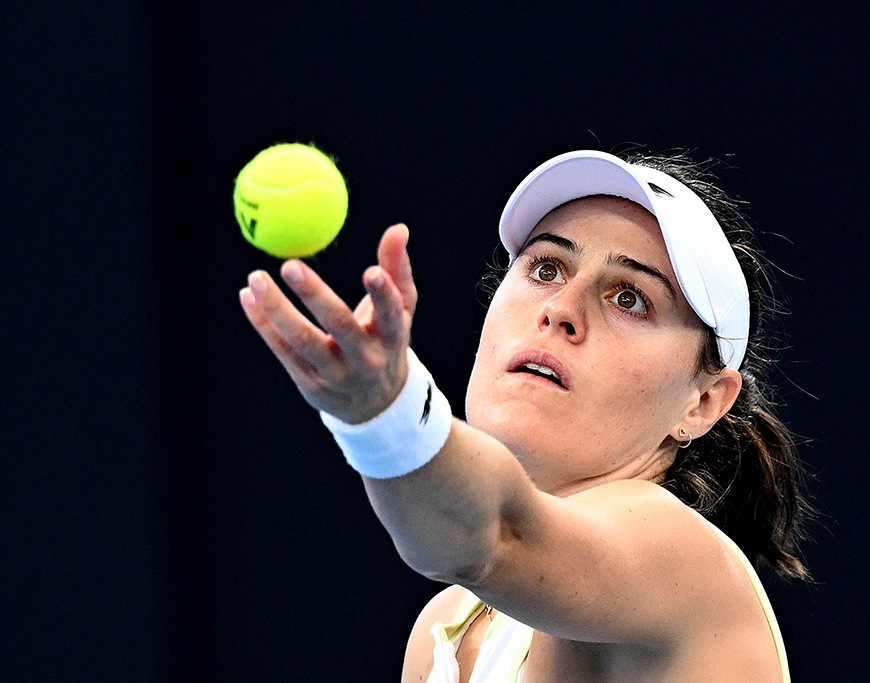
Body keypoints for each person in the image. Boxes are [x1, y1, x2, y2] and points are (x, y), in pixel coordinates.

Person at [239, 149, 812, 682]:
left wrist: (385, 414)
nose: (560, 309)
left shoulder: (679, 560)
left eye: (629, 297)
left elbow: (492, 536)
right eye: (545, 268)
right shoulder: (450, 628)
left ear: (703, 402)